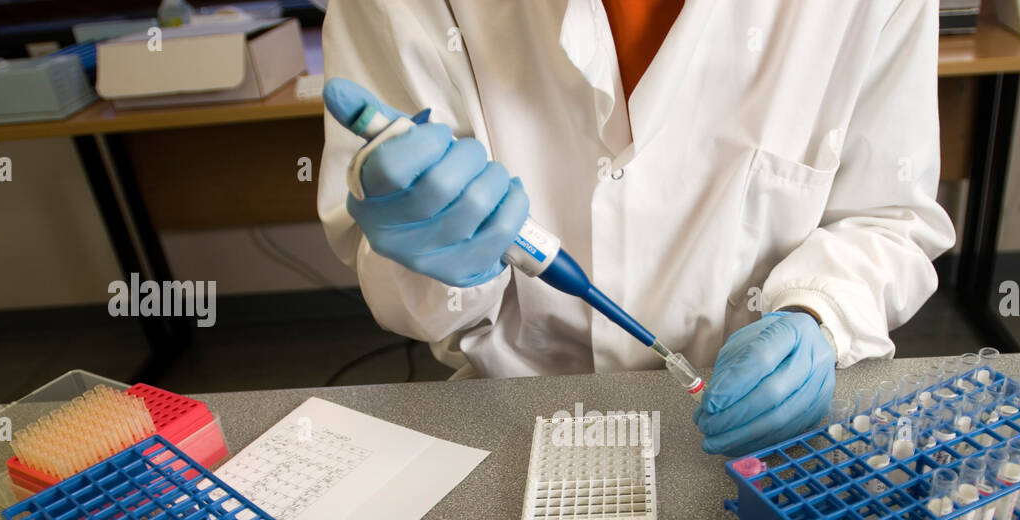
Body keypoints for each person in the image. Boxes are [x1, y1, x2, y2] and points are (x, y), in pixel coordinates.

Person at [318, 0, 954, 456]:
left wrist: (821, 316)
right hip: (517, 428)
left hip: (764, 437)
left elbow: (890, 215)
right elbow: (407, 286)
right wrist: (432, 253)